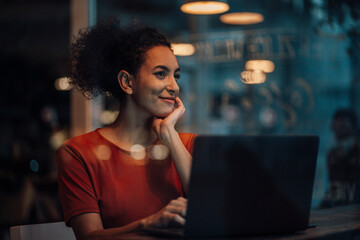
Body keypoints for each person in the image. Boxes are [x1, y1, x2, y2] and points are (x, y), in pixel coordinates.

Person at [56, 17, 197, 239]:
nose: (175, 87)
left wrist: (170, 135)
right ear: (127, 82)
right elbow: (89, 237)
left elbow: (213, 215)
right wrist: (150, 224)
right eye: (161, 74)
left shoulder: (187, 145)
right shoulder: (79, 153)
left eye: (176, 75)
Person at [321, 108, 360, 208]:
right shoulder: (333, 153)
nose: (340, 126)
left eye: (344, 123)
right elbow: (333, 185)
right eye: (337, 123)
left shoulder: (355, 151)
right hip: (336, 202)